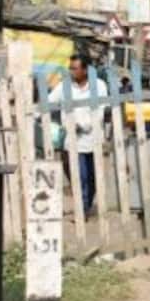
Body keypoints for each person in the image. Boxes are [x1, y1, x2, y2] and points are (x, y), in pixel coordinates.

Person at [56, 51, 110, 216]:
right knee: (79, 176)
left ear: (85, 70)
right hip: (73, 139)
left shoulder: (99, 85)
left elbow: (99, 111)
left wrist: (84, 126)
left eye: (75, 68)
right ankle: (82, 207)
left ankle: (86, 204)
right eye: (70, 68)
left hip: (92, 138)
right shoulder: (64, 86)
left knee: (92, 176)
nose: (72, 72)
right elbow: (49, 101)